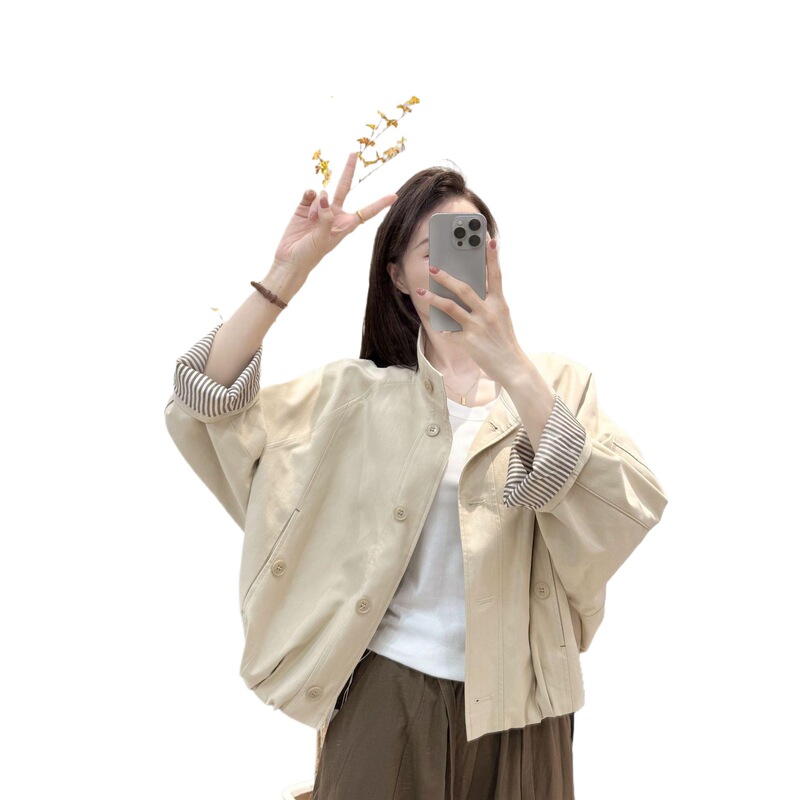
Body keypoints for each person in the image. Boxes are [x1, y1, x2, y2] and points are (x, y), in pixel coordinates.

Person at [165, 152, 669, 800]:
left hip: (524, 708)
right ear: (397, 275)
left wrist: (511, 364)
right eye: (431, 251)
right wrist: (288, 272)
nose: (453, 265)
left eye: (470, 244)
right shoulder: (357, 396)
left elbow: (623, 507)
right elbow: (206, 404)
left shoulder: (556, 385)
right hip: (386, 698)